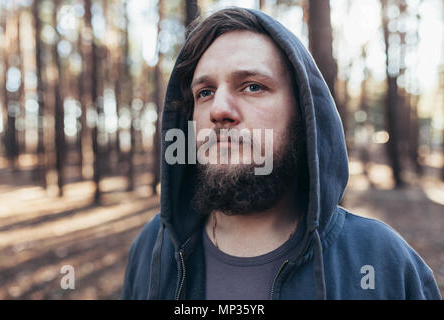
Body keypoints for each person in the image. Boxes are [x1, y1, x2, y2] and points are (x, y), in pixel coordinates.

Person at [122, 7, 441, 300]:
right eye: (204, 93)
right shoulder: (154, 248)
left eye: (252, 86)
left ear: (303, 115)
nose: (218, 109)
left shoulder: (382, 260)